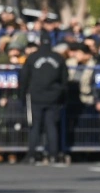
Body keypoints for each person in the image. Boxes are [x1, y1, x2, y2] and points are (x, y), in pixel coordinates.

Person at [20, 37, 67, 165]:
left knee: (35, 126)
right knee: (51, 126)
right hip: (53, 97)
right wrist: (62, 96)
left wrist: (22, 95)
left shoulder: (32, 57)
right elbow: (64, 80)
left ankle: (31, 155)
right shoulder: (59, 58)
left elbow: (24, 78)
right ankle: (54, 155)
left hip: (36, 96)